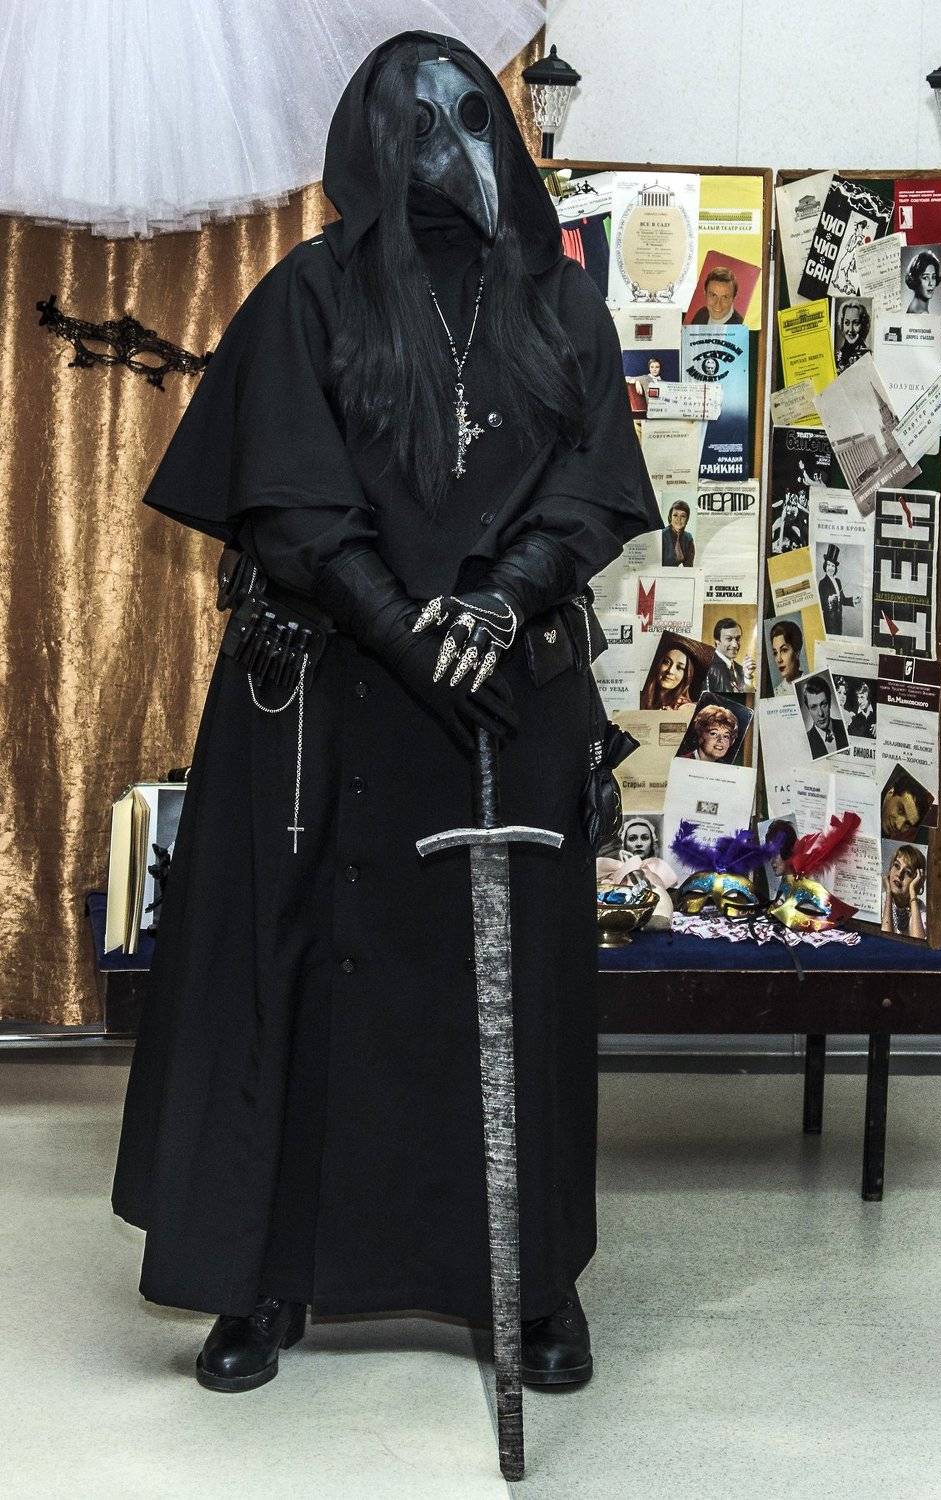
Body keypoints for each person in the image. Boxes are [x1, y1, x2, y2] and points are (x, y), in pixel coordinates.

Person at [110, 31, 662, 1399]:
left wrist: (502, 601)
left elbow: (593, 484)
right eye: (411, 122)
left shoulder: (557, 300)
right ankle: (262, 1272)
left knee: (513, 995)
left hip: (509, 695)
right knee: (295, 978)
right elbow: (289, 496)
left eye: (469, 115)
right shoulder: (309, 295)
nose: (445, 146)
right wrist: (408, 633)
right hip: (331, 703)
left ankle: (529, 1280)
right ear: (367, 138)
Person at [882, 844, 926, 939]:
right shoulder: (879, 902)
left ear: (916, 881)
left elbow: (918, 944)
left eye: (907, 872)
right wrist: (888, 893)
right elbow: (885, 941)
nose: (899, 874)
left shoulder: (920, 910)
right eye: (897, 866)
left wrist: (913, 892)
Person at [801, 675, 849, 758]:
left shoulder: (846, 727)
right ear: (808, 709)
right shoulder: (805, 742)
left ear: (829, 703)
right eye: (813, 707)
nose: (820, 713)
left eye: (823, 704)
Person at [818, 543, 860, 634]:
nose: (830, 568)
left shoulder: (838, 581)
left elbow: (843, 600)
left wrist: (853, 600)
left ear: (835, 568)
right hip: (828, 622)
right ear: (825, 566)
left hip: (838, 621)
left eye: (833, 566)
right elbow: (821, 605)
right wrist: (829, 600)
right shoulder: (822, 583)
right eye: (828, 565)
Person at [705, 617, 753, 693]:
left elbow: (748, 698)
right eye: (729, 639)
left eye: (738, 639)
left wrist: (748, 678)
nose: (735, 645)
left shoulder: (741, 670)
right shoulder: (706, 667)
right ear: (717, 641)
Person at [834, 299, 870, 372]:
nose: (851, 329)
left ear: (863, 325)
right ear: (842, 325)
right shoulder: (836, 357)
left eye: (856, 323)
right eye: (847, 323)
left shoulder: (868, 356)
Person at [904, 250, 941, 314]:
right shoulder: (922, 313)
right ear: (915, 279)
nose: (931, 283)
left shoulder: (913, 307)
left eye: (933, 277)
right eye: (925, 278)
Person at [660, 498, 695, 567]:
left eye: (683, 516)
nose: (679, 519)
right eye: (675, 515)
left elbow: (689, 566)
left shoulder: (688, 538)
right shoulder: (661, 536)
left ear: (687, 520)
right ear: (670, 517)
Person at [770, 618, 804, 688]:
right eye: (775, 653)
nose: (779, 660)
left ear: (797, 653)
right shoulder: (777, 691)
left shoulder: (811, 681)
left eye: (784, 650)